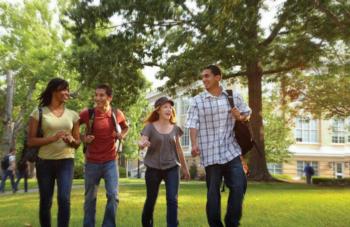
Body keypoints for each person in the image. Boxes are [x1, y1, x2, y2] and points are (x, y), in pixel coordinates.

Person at [186, 65, 251, 227]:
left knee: (239, 185)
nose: (204, 79)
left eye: (207, 76)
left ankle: (232, 222)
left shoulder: (232, 96)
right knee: (213, 194)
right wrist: (194, 144)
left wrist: (240, 117)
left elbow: (247, 114)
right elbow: (192, 123)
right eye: (203, 77)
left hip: (231, 150)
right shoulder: (197, 101)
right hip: (210, 153)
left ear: (218, 77)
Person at [28, 78, 80, 227]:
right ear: (53, 91)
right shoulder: (38, 113)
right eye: (64, 89)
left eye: (68, 90)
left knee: (64, 199)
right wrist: (53, 138)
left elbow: (77, 143)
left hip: (66, 161)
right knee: (46, 200)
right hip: (44, 162)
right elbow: (31, 141)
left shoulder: (73, 115)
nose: (67, 93)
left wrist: (71, 140)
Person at [79, 84, 129, 227]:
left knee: (113, 196)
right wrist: (83, 138)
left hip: (110, 162)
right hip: (92, 162)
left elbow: (126, 127)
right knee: (90, 198)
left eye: (101, 95)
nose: (98, 98)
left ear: (109, 98)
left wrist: (121, 135)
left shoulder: (116, 113)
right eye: (96, 95)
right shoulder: (87, 113)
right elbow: (72, 126)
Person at [138, 96, 190, 227]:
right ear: (158, 110)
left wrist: (185, 168)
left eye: (170, 107)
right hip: (153, 168)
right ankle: (146, 224)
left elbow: (179, 149)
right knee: (151, 200)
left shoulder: (175, 128)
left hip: (172, 167)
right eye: (165, 106)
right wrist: (143, 143)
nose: (169, 109)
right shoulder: (150, 127)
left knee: (172, 199)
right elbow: (142, 141)